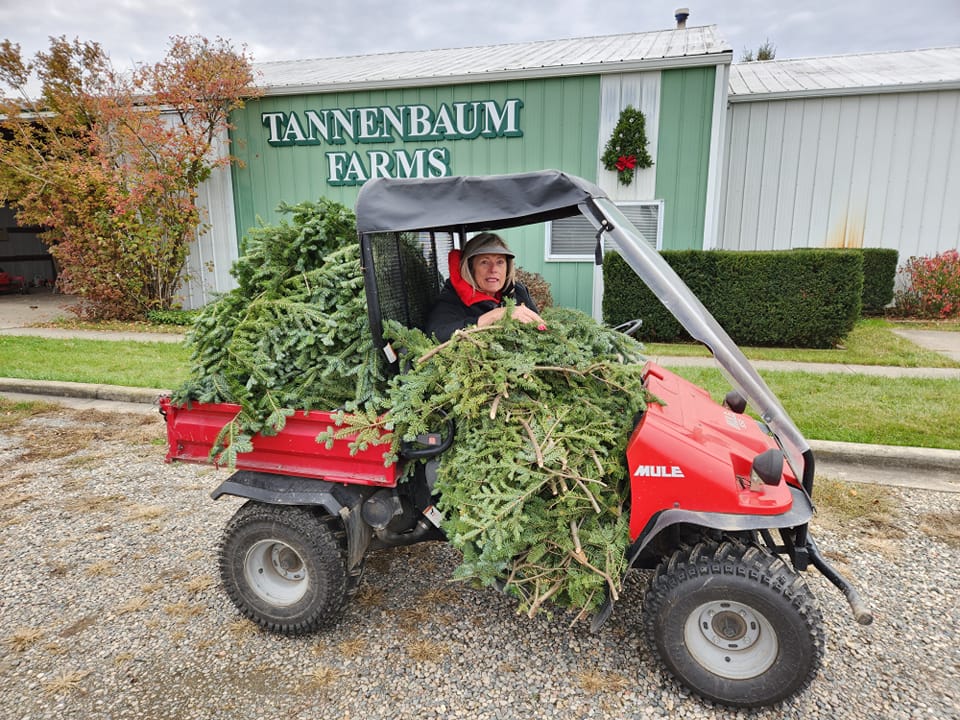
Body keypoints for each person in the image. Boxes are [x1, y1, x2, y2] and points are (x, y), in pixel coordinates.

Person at [426, 232, 546, 342]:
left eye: (500, 262)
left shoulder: (518, 290)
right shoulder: (452, 298)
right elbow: (436, 334)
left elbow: (538, 327)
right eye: (484, 262)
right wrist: (493, 316)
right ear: (470, 268)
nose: (493, 269)